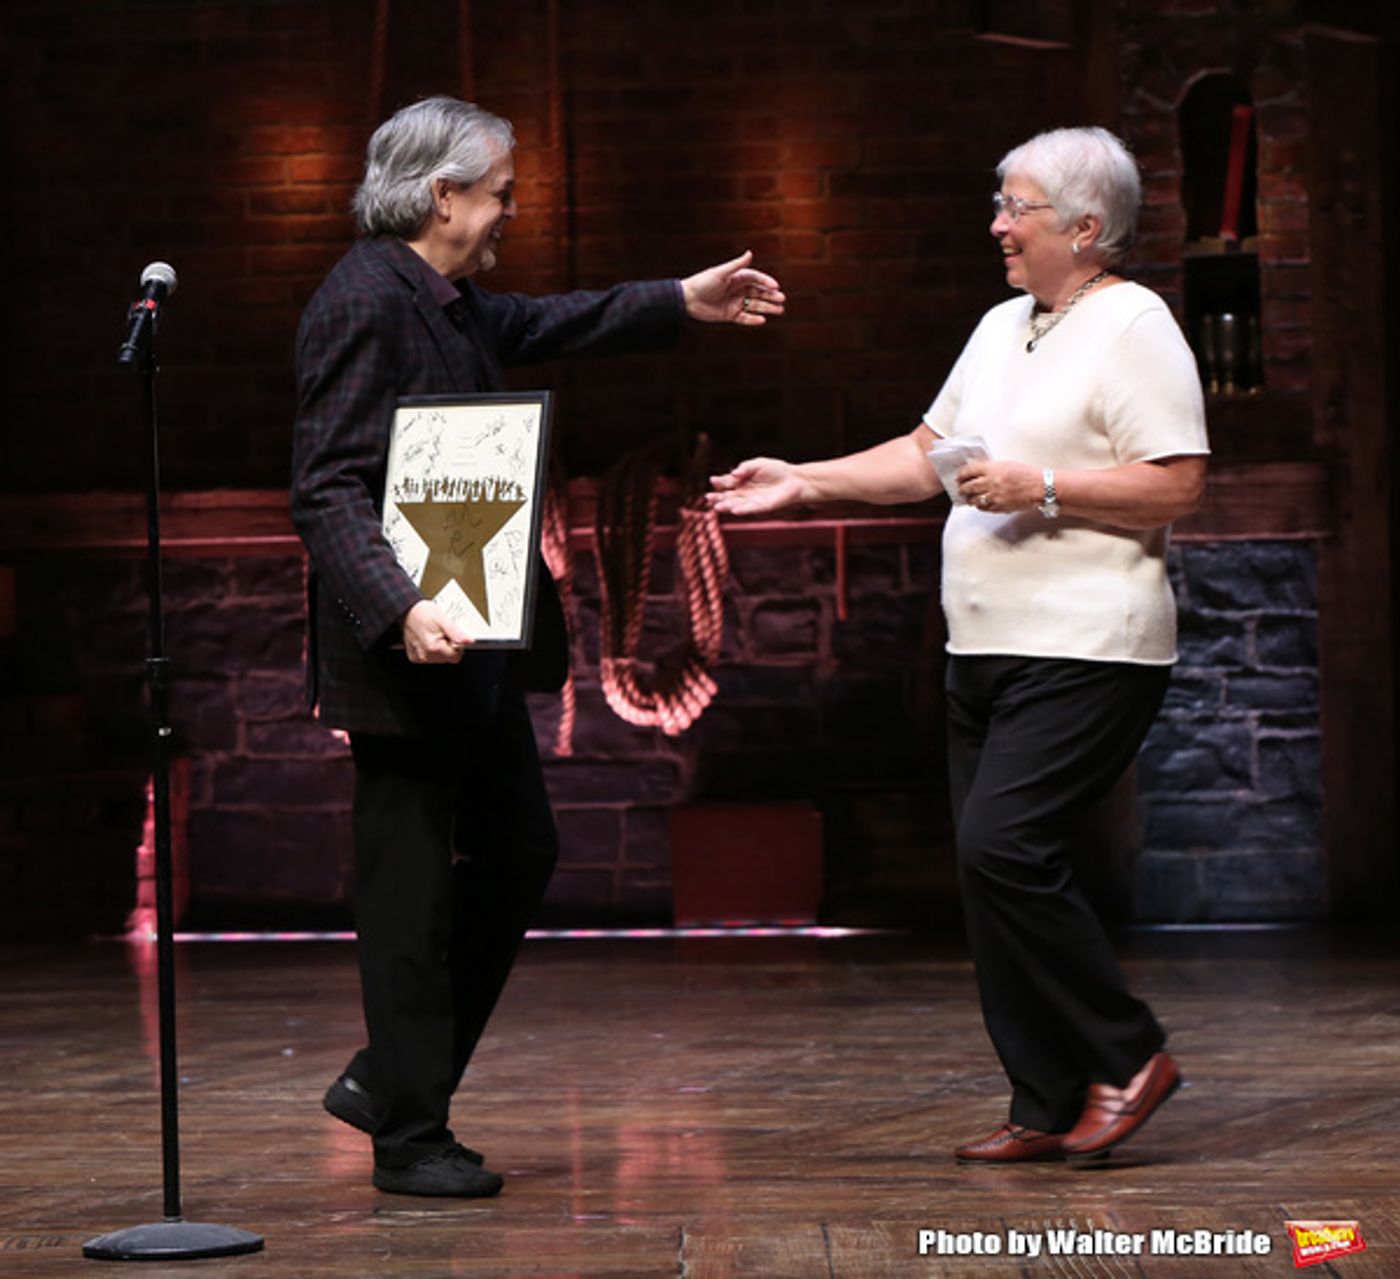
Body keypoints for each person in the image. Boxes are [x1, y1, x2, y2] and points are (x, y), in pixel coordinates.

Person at [291, 95, 784, 1198]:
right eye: (500, 192)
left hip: (469, 644)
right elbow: (322, 486)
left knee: (518, 848)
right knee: (409, 890)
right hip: (406, 652)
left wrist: (679, 302)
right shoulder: (360, 301)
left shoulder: (447, 301)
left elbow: (549, 321)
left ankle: (389, 1077)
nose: (511, 210)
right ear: (441, 194)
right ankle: (410, 1134)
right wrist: (396, 605)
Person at [709, 126, 1207, 1164]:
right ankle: (1042, 1096)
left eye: (1012, 206)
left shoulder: (1133, 325)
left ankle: (1125, 1053)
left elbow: (1175, 481)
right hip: (982, 646)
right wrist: (802, 479)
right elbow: (926, 455)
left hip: (1087, 645)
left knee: (1003, 847)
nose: (995, 225)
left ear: (1082, 225)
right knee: (985, 872)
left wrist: (1047, 486)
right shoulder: (998, 327)